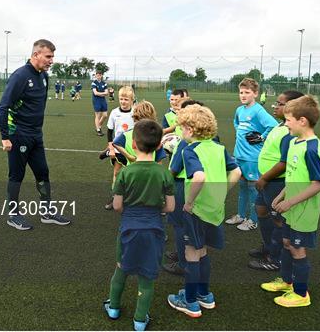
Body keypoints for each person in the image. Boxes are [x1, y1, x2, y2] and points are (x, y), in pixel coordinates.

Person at [167, 104, 241, 318]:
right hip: (215, 208)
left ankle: (189, 301)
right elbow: (236, 171)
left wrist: (189, 202)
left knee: (191, 252)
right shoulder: (219, 148)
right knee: (203, 251)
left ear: (190, 129)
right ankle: (204, 295)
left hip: (196, 210)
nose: (180, 132)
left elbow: (199, 177)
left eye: (181, 128)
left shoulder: (191, 150)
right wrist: (222, 191)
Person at [103, 119, 175, 332]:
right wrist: (155, 209)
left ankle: (113, 308)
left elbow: (117, 206)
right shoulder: (164, 173)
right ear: (159, 145)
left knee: (121, 270)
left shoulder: (126, 172)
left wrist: (132, 211)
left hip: (128, 229)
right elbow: (170, 207)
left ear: (133, 145)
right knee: (147, 278)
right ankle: (140, 320)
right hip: (154, 231)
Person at [0, 39, 71, 231]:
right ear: (36, 54)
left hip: (36, 135)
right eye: (48, 56)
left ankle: (46, 212)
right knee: (17, 175)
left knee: (42, 172)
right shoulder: (20, 76)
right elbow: (2, 107)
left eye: (52, 57)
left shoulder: (44, 76)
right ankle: (13, 215)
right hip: (18, 135)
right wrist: (5, 136)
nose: (51, 60)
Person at [261, 95, 320, 308]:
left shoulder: (312, 148)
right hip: (292, 208)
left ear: (302, 121)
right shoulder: (296, 142)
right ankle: (287, 281)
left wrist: (289, 202)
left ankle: (301, 293)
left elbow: (318, 184)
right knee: (287, 243)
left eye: (288, 120)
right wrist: (282, 196)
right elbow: (295, 176)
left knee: (297, 249)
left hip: (303, 211)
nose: (285, 123)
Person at [248, 90, 304, 272]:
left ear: (293, 107)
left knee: (279, 221)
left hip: (276, 182)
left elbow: (284, 162)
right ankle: (269, 247)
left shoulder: (290, 132)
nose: (275, 106)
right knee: (261, 211)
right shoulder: (281, 126)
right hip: (267, 181)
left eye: (280, 104)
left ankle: (275, 258)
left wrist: (264, 177)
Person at [225, 78, 277, 231]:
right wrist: (240, 131)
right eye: (241, 92)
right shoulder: (239, 110)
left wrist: (261, 137)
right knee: (242, 186)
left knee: (253, 188)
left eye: (247, 92)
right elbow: (236, 123)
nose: (243, 95)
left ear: (255, 93)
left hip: (252, 157)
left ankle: (253, 220)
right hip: (239, 154)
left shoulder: (258, 110)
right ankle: (241, 215)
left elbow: (273, 125)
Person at [164, 98, 205, 276]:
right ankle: (183, 253)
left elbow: (174, 169)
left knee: (180, 226)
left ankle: (183, 261)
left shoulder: (185, 143)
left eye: (181, 110)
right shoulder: (207, 138)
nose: (178, 113)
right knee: (189, 225)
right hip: (197, 188)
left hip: (182, 186)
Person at [99, 86, 135, 210]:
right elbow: (109, 132)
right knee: (117, 172)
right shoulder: (115, 113)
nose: (123, 102)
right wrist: (111, 148)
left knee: (133, 174)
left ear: (132, 100)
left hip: (132, 148)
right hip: (118, 147)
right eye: (121, 99)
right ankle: (115, 196)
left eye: (126, 99)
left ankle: (131, 198)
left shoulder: (135, 112)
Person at [112, 100, 167, 166]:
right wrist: (129, 156)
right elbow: (115, 143)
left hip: (132, 172)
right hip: (150, 173)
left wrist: (129, 156)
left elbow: (115, 142)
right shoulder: (155, 135)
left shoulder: (127, 134)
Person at [92, 71, 109, 136]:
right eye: (97, 75)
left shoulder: (104, 83)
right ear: (95, 76)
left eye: (99, 75)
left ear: (101, 76)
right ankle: (98, 130)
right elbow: (95, 93)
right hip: (96, 100)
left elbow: (107, 93)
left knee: (105, 115)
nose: (98, 76)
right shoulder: (94, 83)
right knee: (98, 115)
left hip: (103, 100)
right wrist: (103, 94)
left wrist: (100, 94)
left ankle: (98, 126)